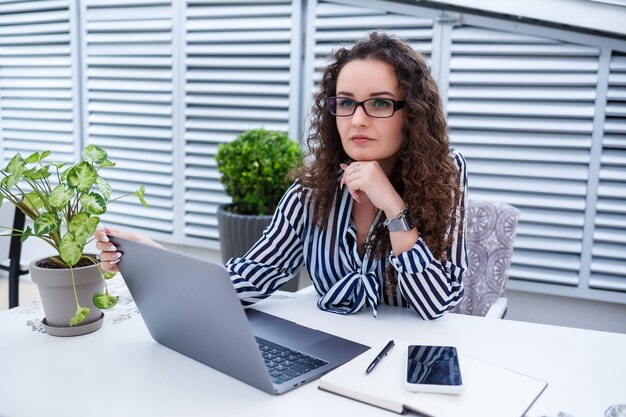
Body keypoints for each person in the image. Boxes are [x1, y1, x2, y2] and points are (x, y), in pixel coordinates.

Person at [96, 32, 467, 320]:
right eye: (345, 102)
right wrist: (157, 259)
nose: (357, 119)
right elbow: (249, 279)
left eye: (380, 103)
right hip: (334, 358)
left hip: (411, 363)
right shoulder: (310, 193)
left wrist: (391, 206)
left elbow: (436, 306)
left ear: (412, 114)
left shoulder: (445, 176)